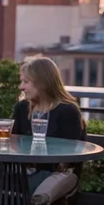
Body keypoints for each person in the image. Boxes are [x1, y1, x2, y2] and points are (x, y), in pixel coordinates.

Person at [12, 56, 86, 189]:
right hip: (22, 171)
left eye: (26, 81)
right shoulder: (22, 108)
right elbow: (14, 143)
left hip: (53, 175)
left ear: (42, 82)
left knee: (9, 189)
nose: (21, 87)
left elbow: (68, 159)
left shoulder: (67, 111)